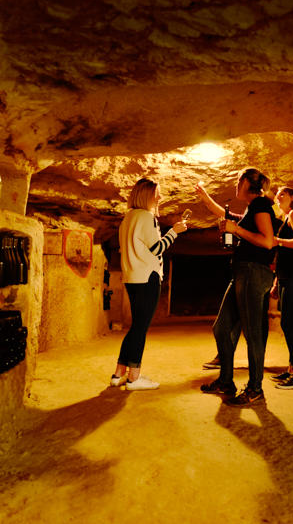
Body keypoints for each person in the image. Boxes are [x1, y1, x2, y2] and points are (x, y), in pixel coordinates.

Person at [196, 168, 275, 406]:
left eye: (236, 181)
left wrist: (236, 230)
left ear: (245, 182)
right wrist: (206, 199)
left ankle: (255, 388)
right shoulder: (253, 208)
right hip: (242, 272)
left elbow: (268, 241)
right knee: (221, 328)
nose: (234, 185)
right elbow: (230, 217)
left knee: (252, 334)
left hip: (253, 272)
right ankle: (226, 381)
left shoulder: (261, 205)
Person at [110, 178, 187, 390]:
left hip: (132, 278)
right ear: (147, 195)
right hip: (147, 277)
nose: (160, 197)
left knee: (136, 327)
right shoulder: (145, 217)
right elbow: (157, 248)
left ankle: (119, 373)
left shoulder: (128, 218)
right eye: (157, 193)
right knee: (140, 329)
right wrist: (174, 232)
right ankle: (134, 377)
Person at [269, 187, 293, 389]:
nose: (278, 197)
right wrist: (277, 280)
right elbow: (283, 256)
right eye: (277, 195)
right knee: (287, 323)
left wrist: (278, 241)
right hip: (285, 276)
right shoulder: (285, 219)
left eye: (282, 194)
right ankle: (292, 369)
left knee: (289, 323)